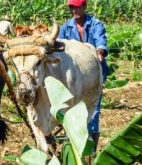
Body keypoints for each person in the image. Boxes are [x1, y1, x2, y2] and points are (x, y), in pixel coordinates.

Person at [58, 0, 109, 153]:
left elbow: (101, 41)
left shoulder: (95, 24)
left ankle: (90, 152)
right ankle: (72, 150)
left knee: (92, 113)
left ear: (85, 6)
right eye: (71, 7)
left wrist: (99, 53)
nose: (73, 10)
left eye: (76, 7)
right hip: (72, 78)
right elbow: (59, 45)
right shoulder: (65, 28)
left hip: (93, 76)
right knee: (71, 112)